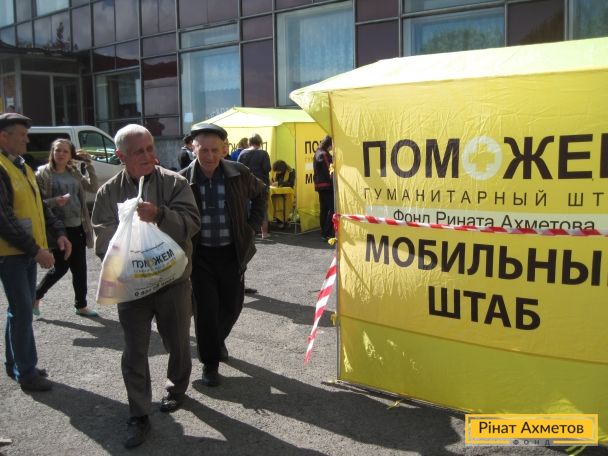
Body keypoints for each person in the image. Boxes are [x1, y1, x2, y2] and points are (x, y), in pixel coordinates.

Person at [92, 124, 200, 449]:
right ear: (120, 156)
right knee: (134, 350)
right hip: (132, 287)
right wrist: (126, 231)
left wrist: (160, 216)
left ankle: (177, 388)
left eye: (150, 148)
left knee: (177, 342)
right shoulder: (108, 192)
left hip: (173, 283)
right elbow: (101, 239)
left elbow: (192, 223)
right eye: (138, 151)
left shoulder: (174, 183)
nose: (148, 155)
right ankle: (139, 414)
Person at [180, 123, 266, 388]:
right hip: (200, 256)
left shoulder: (239, 173)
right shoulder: (181, 180)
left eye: (214, 150)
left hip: (232, 253)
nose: (209, 156)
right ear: (193, 149)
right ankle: (210, 364)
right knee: (206, 310)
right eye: (203, 150)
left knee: (232, 305)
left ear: (224, 149)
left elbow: (262, 192)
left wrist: (251, 227)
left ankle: (216, 342)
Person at [0, 113, 72, 392]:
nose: (27, 140)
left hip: (26, 253)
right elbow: (4, 221)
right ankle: (27, 373)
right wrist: (36, 251)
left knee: (19, 310)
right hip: (12, 254)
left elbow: (39, 206)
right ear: (3, 137)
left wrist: (59, 232)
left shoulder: (21, 166)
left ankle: (16, 364)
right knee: (22, 312)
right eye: (22, 135)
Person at [34, 139, 99, 317]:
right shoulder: (43, 174)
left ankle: (81, 305)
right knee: (61, 267)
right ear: (52, 152)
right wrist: (55, 201)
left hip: (77, 225)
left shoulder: (73, 172)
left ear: (70, 155)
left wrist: (89, 165)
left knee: (80, 269)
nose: (61, 154)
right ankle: (36, 295)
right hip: (58, 228)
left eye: (65, 151)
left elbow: (93, 187)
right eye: (57, 150)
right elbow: (37, 203)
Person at [237, 133, 271, 238]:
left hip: (245, 184)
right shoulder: (263, 154)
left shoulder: (242, 153)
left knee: (245, 209)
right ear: (260, 142)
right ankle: (264, 233)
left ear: (249, 142)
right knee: (261, 208)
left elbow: (238, 168)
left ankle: (246, 231)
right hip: (261, 184)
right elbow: (267, 168)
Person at [313, 135, 334, 241]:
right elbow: (330, 170)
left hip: (320, 185)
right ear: (329, 144)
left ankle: (323, 232)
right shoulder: (324, 154)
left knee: (324, 209)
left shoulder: (318, 152)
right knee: (332, 208)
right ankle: (326, 232)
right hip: (326, 185)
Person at [269, 160, 295, 228]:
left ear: (282, 169)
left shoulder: (291, 172)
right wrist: (271, 182)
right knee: (276, 199)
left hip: (288, 193)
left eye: (278, 171)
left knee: (280, 201)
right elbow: (272, 180)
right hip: (277, 192)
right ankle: (279, 220)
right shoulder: (276, 172)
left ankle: (284, 220)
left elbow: (291, 184)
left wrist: (279, 183)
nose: (277, 172)